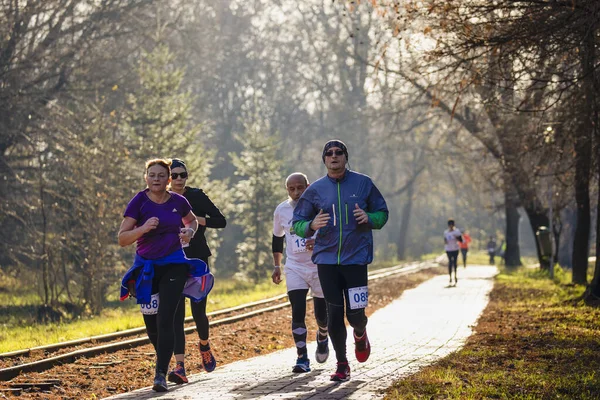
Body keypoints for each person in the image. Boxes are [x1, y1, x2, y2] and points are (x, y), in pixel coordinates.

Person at [292, 140, 388, 382]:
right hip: (326, 261)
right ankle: (342, 364)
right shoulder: (315, 190)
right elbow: (297, 223)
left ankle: (360, 332)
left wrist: (369, 217)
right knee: (334, 314)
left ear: (346, 157)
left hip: (356, 260)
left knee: (356, 314)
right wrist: (311, 225)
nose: (334, 156)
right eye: (329, 153)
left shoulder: (363, 183)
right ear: (324, 160)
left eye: (338, 153)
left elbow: (382, 213)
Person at [118, 159, 213, 392]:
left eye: (162, 175)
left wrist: (189, 231)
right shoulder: (139, 202)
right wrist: (142, 229)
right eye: (152, 175)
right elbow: (122, 238)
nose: (157, 179)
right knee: (152, 326)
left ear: (168, 179)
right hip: (147, 269)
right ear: (146, 178)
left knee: (166, 318)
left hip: (174, 264)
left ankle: (160, 374)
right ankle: (164, 358)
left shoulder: (178, 201)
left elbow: (191, 220)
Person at [168, 159, 227, 384]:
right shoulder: (160, 200)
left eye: (183, 175)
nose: (179, 179)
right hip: (171, 261)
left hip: (198, 260)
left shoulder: (197, 196)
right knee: (176, 315)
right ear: (167, 177)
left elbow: (221, 221)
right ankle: (180, 366)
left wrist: (197, 221)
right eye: (175, 175)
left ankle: (204, 345)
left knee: (198, 310)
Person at [271, 172, 329, 374]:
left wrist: (319, 241)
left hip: (319, 266)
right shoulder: (282, 210)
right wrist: (277, 266)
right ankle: (302, 357)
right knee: (297, 310)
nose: (296, 193)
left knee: (321, 314)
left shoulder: (320, 206)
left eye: (300, 188)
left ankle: (323, 335)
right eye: (291, 189)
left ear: (308, 186)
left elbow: (333, 233)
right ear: (287, 189)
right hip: (295, 266)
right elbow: (277, 238)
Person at [444, 219, 463, 285]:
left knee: (454, 262)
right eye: (450, 225)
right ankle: (450, 277)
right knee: (450, 262)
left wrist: (456, 237)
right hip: (448, 249)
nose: (451, 227)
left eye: (452, 225)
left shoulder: (457, 231)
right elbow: (445, 241)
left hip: (455, 249)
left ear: (453, 225)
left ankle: (455, 275)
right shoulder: (446, 232)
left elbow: (461, 240)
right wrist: (446, 242)